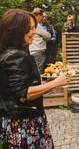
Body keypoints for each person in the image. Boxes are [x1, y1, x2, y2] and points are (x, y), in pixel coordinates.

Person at [0, 9, 68, 148]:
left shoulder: (6, 52)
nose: (35, 32)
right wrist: (56, 83)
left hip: (13, 121)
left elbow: (16, 86)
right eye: (31, 28)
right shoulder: (16, 56)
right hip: (23, 125)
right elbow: (22, 94)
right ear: (18, 30)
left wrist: (45, 83)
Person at [29, 8, 52, 74]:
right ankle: (40, 84)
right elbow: (48, 36)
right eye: (42, 17)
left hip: (33, 50)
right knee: (39, 71)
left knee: (35, 71)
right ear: (38, 16)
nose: (43, 19)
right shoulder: (36, 25)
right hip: (38, 51)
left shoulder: (31, 23)